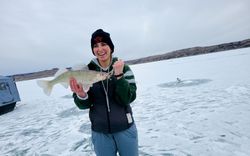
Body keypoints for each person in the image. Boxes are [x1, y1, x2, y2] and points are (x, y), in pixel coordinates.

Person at [69, 29, 138, 156]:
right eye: (95, 46)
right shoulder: (86, 70)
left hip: (126, 129)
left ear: (111, 47)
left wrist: (119, 76)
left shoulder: (124, 68)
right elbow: (83, 105)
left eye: (103, 44)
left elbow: (128, 98)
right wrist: (82, 95)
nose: (100, 49)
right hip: (100, 133)